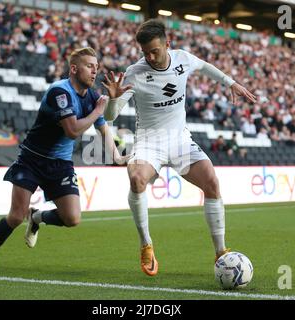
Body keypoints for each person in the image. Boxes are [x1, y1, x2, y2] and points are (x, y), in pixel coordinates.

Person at [103, 19, 256, 277]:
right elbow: (110, 117)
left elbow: (205, 67)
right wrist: (113, 99)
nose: (150, 57)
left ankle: (220, 252)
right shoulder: (134, 73)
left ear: (168, 44)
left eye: (155, 51)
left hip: (180, 140)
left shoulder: (183, 59)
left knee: (212, 182)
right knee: (136, 179)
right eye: (145, 52)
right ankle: (146, 244)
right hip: (149, 141)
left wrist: (230, 82)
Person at [0, 47, 124, 270]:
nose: (94, 71)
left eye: (96, 67)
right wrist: (97, 112)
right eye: (89, 66)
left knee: (72, 219)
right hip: (32, 159)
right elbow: (72, 131)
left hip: (60, 164)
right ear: (74, 69)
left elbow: (103, 129)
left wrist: (117, 157)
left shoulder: (93, 96)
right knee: (16, 216)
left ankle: (37, 217)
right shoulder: (60, 92)